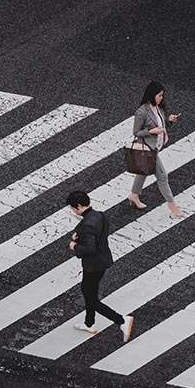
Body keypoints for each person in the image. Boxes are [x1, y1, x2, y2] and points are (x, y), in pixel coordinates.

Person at [67, 190, 133, 342]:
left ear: (78, 206)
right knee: (90, 292)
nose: (72, 211)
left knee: (90, 297)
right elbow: (99, 232)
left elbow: (90, 248)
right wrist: (79, 235)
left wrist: (74, 246)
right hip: (103, 259)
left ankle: (122, 320)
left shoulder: (88, 225)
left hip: (93, 264)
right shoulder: (99, 215)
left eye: (72, 208)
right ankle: (89, 323)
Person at [128, 80, 183, 217]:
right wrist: (150, 132)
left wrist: (169, 121)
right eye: (159, 95)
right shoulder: (141, 112)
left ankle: (134, 195)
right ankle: (172, 206)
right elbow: (136, 132)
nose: (161, 98)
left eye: (162, 95)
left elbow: (161, 127)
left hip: (155, 147)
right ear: (151, 95)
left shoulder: (159, 108)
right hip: (148, 149)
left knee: (144, 171)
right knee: (162, 177)